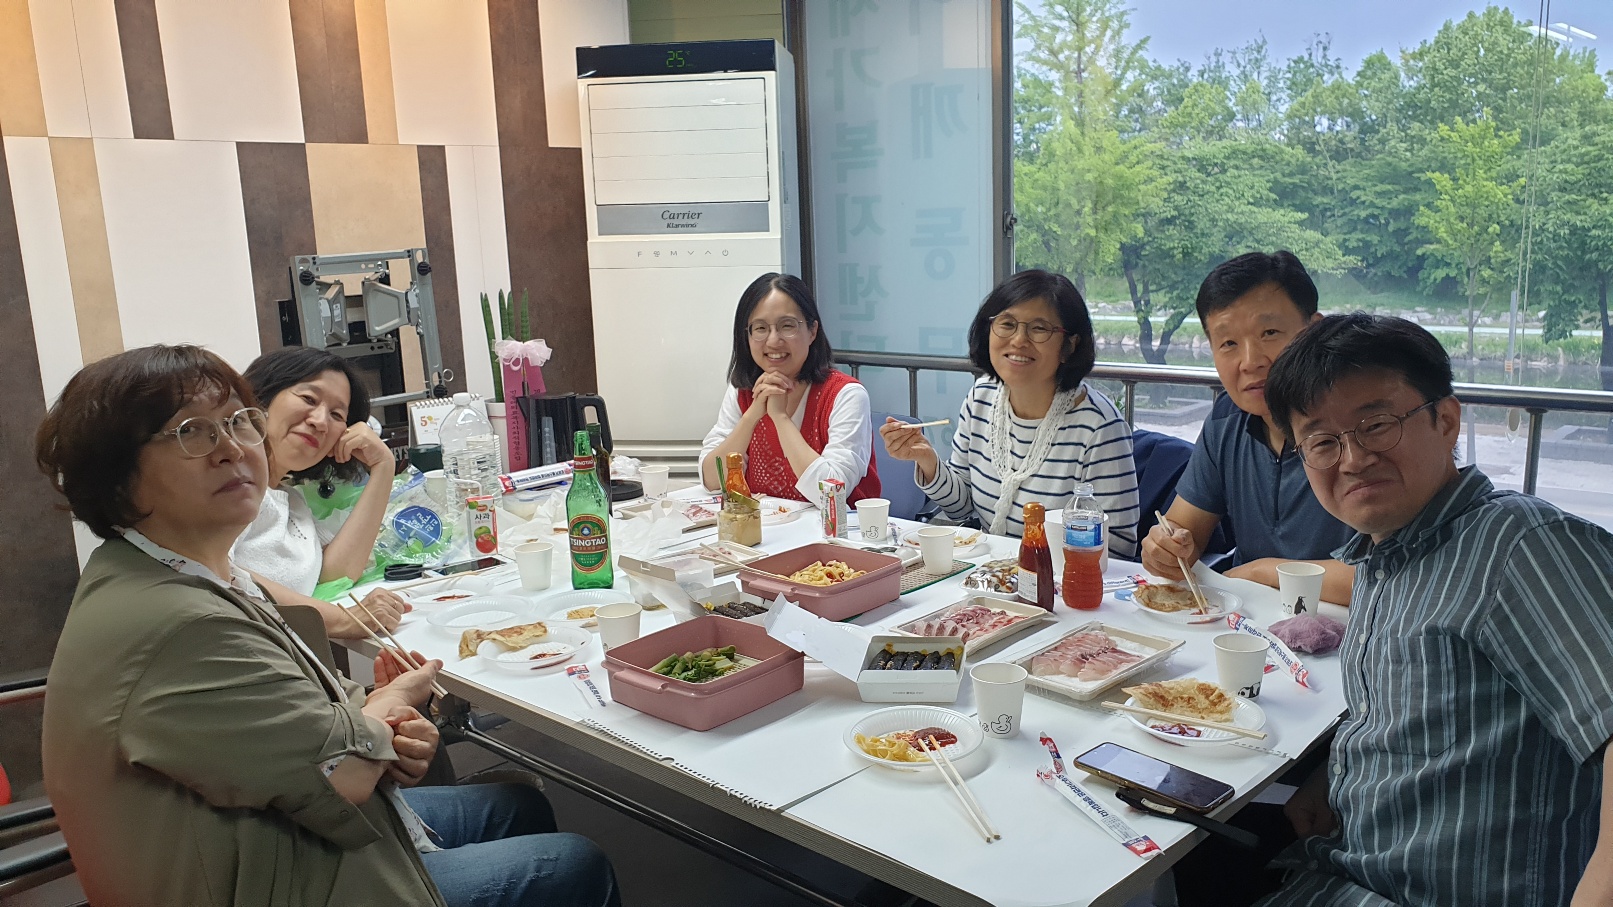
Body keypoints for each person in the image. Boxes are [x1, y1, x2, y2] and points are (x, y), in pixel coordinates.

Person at [36, 344, 620, 907]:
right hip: (264, 874)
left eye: (237, 423)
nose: (232, 449)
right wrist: (391, 706)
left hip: (256, 829)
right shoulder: (182, 624)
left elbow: (290, 705)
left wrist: (379, 719)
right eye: (193, 432)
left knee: (517, 806)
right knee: (576, 862)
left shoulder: (186, 570)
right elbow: (344, 773)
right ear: (116, 473)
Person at [1248, 314, 1613, 906]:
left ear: (1446, 420)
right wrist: (1331, 775)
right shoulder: (1387, 557)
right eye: (1323, 442)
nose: (1353, 458)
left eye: (1376, 425)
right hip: (1347, 862)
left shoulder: (1519, 545)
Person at [1141, 252, 1354, 603]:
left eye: (1269, 333)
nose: (1250, 361)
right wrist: (1165, 547)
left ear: (1313, 331)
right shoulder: (1227, 420)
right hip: (1249, 619)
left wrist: (1264, 572)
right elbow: (1183, 532)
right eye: (1228, 343)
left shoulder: (1358, 429)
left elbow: (1393, 575)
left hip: (1352, 624)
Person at [881, 269, 1140, 551]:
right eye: (1007, 324)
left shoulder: (1099, 427)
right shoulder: (982, 397)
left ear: (1069, 345)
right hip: (989, 571)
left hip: (1058, 575)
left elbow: (1118, 547)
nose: (1018, 340)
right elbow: (962, 508)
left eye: (1039, 328)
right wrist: (927, 460)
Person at [236, 346, 410, 638]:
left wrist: (383, 467)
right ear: (261, 397)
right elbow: (217, 574)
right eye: (308, 399)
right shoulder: (233, 489)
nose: (319, 421)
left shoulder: (291, 500)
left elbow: (335, 574)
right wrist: (342, 620)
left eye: (336, 414)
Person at [701, 272, 880, 503]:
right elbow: (712, 480)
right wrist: (752, 416)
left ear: (812, 331)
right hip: (766, 525)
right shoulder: (742, 392)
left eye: (787, 326)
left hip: (836, 526)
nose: (773, 341)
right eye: (760, 328)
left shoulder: (846, 395)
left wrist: (780, 418)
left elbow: (831, 494)